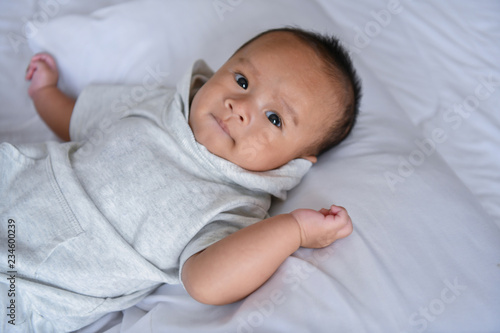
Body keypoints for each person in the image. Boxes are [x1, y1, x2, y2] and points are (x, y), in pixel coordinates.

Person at [1, 27, 360, 332]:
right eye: (242, 80)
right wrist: (44, 95)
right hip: (14, 181)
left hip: (33, 287)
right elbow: (81, 122)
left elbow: (206, 281)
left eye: (274, 118)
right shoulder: (161, 105)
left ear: (295, 161)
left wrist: (293, 230)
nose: (240, 105)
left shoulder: (236, 204)